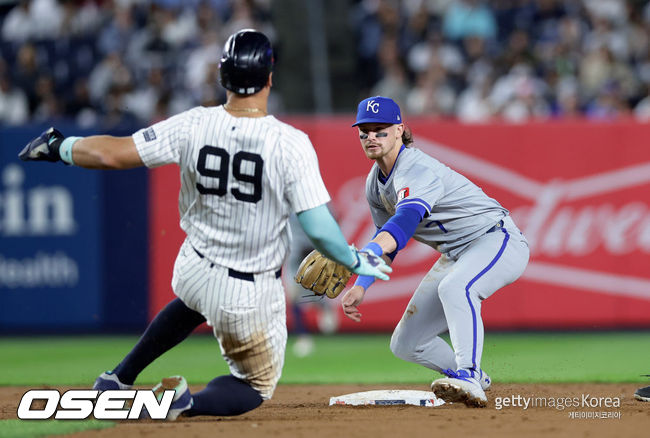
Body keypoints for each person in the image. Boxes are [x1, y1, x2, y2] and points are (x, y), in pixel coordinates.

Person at [18, 29, 390, 420]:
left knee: (194, 303)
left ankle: (118, 378)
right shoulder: (289, 142)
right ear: (269, 77)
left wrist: (61, 147)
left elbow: (114, 154)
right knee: (254, 385)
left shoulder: (193, 123)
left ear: (223, 76)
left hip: (193, 266)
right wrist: (353, 260)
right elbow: (317, 226)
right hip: (247, 287)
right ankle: (184, 403)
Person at [341, 96, 529, 408]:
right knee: (406, 344)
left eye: (380, 129)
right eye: (364, 131)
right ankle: (474, 378)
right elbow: (385, 239)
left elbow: (403, 224)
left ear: (400, 129)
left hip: (496, 239)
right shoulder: (374, 183)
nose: (371, 136)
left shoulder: (416, 168)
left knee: (455, 287)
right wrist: (361, 285)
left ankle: (468, 375)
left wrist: (367, 253)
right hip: (456, 253)